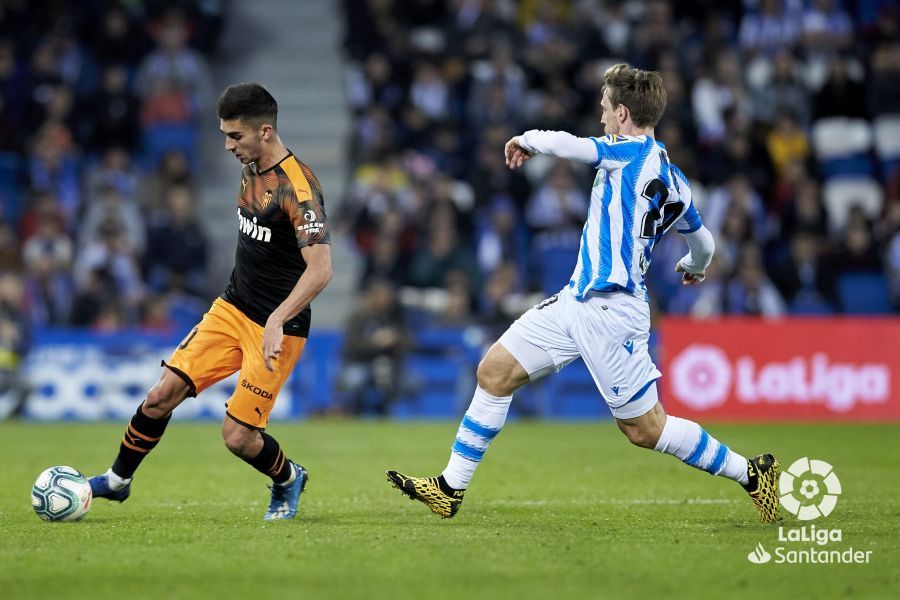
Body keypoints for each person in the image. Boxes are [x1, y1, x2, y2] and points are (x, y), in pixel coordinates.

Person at [387, 64, 781, 524]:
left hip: (613, 312)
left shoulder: (626, 152)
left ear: (624, 113)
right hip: (576, 300)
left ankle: (752, 475)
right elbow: (705, 242)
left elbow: (566, 145)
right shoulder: (675, 178)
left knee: (644, 429)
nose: (601, 115)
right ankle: (449, 488)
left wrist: (525, 139)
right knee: (494, 371)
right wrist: (694, 267)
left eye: (605, 108)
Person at [88, 83, 333, 520]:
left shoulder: (299, 189)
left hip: (278, 325)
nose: (227, 145)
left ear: (265, 131)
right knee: (161, 395)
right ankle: (117, 480)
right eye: (224, 134)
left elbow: (321, 269)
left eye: (235, 136)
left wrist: (276, 319)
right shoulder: (251, 165)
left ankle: (288, 478)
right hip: (233, 307)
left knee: (238, 437)